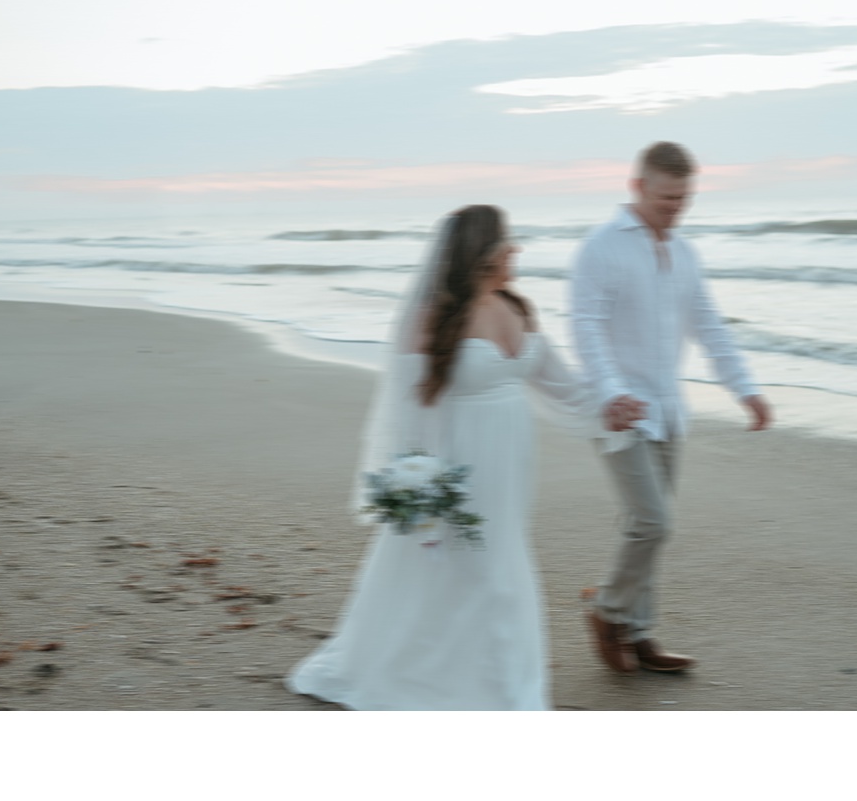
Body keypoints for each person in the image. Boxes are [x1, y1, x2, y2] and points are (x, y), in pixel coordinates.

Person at [285, 204, 642, 710]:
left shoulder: (516, 308)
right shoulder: (434, 319)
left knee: (496, 557)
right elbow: (409, 407)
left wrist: (610, 408)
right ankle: (483, 686)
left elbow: (562, 385)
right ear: (482, 253)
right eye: (507, 241)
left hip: (510, 463)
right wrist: (419, 480)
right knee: (469, 565)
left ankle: (494, 679)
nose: (516, 249)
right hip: (456, 466)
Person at [571, 141, 773, 675]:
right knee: (653, 522)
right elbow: (585, 328)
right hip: (618, 410)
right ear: (637, 187)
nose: (676, 208)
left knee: (646, 525)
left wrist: (744, 388)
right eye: (666, 198)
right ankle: (606, 612)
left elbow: (708, 326)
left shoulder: (684, 254)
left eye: (684, 198)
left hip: (667, 411)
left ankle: (638, 635)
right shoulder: (601, 247)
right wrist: (612, 392)